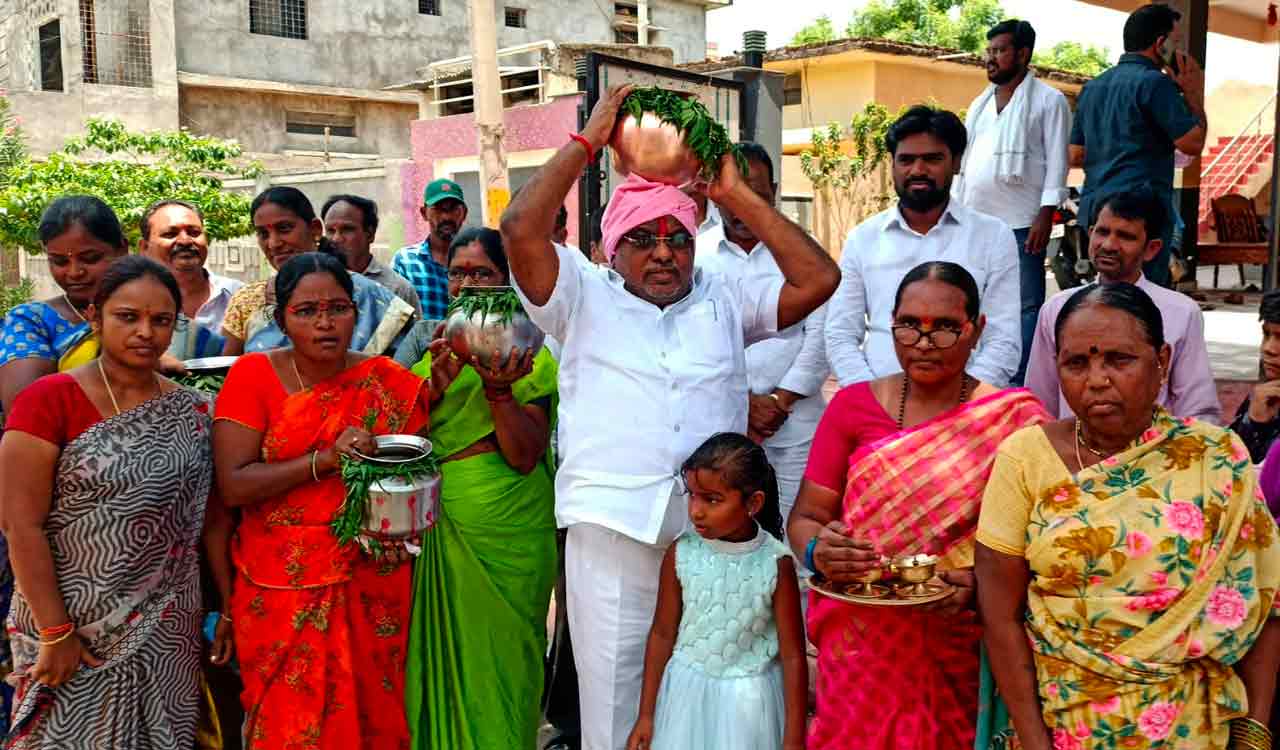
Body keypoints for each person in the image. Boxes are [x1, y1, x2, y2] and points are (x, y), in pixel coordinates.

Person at [500, 84, 840, 750]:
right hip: (614, 536)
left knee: (715, 701)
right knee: (616, 710)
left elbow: (817, 280)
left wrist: (735, 195)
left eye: (677, 238)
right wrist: (588, 143)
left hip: (711, 542)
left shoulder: (723, 294)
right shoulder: (578, 293)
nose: (664, 253)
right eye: (644, 239)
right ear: (611, 249)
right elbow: (518, 228)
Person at [976, 282, 1280, 749]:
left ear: (1162, 361)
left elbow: (1264, 602)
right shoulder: (1024, 457)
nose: (1096, 379)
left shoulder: (1214, 458)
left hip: (1195, 727)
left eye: (1119, 360)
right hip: (1065, 725)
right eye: (1076, 363)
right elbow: (1000, 615)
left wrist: (1255, 733)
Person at [788, 261, 1049, 750]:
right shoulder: (852, 407)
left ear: (977, 331)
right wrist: (817, 552)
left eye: (946, 328)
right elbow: (805, 518)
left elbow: (1047, 547)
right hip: (860, 640)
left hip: (957, 642)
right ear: (891, 324)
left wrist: (979, 585)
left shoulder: (1014, 421)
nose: (924, 342)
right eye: (909, 325)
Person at [0, 255, 233, 748]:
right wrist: (56, 630)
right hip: (70, 630)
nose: (145, 332)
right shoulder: (48, 401)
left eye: (161, 320)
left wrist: (228, 608)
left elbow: (210, 521)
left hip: (167, 627)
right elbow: (20, 525)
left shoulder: (193, 410)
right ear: (96, 318)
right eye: (128, 317)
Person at [213, 251, 429, 749]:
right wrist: (323, 461)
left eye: (338, 308)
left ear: (358, 311)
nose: (325, 323)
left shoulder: (385, 380)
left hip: (371, 575)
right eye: (306, 311)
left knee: (373, 714)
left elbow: (412, 476)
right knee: (289, 725)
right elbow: (234, 484)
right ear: (282, 319)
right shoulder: (252, 377)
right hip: (279, 582)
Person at [399, 226, 558, 750]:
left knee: (506, 663)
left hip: (509, 526)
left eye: (482, 273)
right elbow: (405, 445)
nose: (467, 284)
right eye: (458, 273)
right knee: (448, 666)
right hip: (446, 525)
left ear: (507, 278)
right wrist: (433, 388)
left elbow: (524, 453)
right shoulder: (430, 350)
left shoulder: (530, 347)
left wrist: (497, 392)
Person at [626, 433, 806, 750]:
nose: (696, 511)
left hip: (750, 704)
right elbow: (663, 634)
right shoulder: (681, 553)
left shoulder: (776, 563)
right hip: (686, 695)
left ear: (753, 503)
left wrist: (793, 735)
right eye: (693, 496)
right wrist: (646, 715)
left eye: (711, 500)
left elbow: (792, 655)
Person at [825, 105, 1021, 389]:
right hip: (878, 407)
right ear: (892, 164)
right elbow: (840, 334)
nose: (918, 170)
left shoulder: (993, 237)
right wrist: (872, 400)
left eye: (932, 159)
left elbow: (1003, 339)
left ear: (956, 163)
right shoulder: (862, 239)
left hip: (964, 413)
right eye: (906, 160)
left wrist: (964, 404)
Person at [695, 143, 828, 537]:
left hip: (795, 421)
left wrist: (779, 401)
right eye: (733, 194)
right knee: (726, 536)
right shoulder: (697, 256)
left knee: (795, 535)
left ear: (773, 190)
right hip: (721, 421)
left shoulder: (802, 253)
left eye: (754, 195)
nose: (742, 208)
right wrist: (741, 401)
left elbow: (822, 334)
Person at [1025, 190, 1220, 424]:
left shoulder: (1181, 312)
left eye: (1126, 236)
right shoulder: (1056, 309)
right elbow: (1039, 404)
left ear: (1152, 249)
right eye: (1103, 232)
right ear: (1090, 234)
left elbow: (1197, 409)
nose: (1109, 245)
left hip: (1153, 453)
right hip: (1073, 454)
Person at [955, 19, 1072, 386]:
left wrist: (1045, 214)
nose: (990, 59)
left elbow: (1057, 161)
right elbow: (967, 162)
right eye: (988, 52)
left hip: (1023, 223)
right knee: (976, 302)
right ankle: (980, 378)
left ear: (1023, 54)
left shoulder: (1048, 101)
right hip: (976, 220)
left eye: (999, 51)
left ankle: (1018, 384)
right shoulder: (980, 104)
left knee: (1023, 308)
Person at [1069, 3, 1207, 288]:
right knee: (1142, 297)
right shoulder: (1155, 84)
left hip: (1098, 210)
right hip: (1140, 212)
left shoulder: (1093, 87)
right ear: (1160, 43)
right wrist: (1193, 94)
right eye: (1176, 41)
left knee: (1106, 292)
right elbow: (1192, 143)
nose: (1179, 50)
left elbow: (1075, 154)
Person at [221, 186, 414, 356]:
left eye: (285, 228)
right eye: (263, 234)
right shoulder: (247, 301)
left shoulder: (369, 296)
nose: (273, 243)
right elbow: (224, 375)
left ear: (315, 229)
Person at [0, 195, 127, 415]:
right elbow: (28, 414)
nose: (74, 272)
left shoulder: (155, 311)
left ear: (122, 249)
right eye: (59, 261)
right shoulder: (32, 321)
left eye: (90, 258)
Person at [138, 199, 244, 361]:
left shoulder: (242, 298)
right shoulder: (130, 304)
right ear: (144, 247)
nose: (185, 241)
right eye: (170, 234)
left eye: (194, 232)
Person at [321, 194, 423, 317]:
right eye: (330, 231)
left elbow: (414, 335)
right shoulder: (314, 281)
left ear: (370, 234)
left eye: (347, 229)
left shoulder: (397, 289)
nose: (336, 239)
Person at [393, 178, 468, 320]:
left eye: (453, 209)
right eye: (438, 209)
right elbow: (395, 319)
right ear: (424, 213)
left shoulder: (476, 263)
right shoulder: (406, 262)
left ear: (464, 213)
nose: (446, 216)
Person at [1229, 290, 1280, 463]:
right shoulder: (1262, 398)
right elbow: (1225, 468)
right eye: (1266, 335)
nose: (1269, 348)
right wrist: (1253, 423)